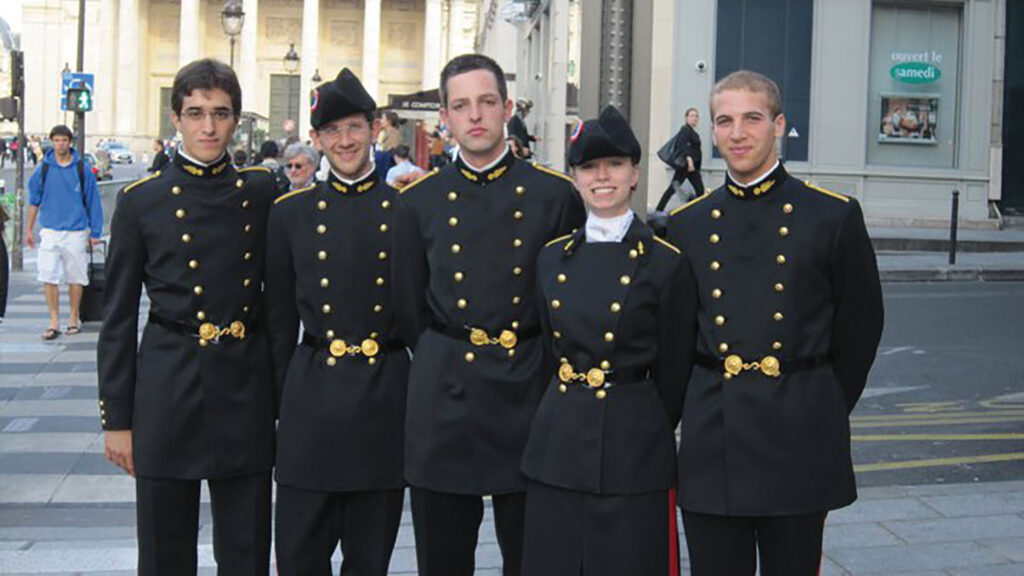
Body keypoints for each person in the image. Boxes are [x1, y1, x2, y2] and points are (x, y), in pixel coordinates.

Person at [666, 70, 884, 576]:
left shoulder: (831, 216)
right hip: (714, 438)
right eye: (725, 120)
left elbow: (861, 328)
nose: (737, 133)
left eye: (752, 118)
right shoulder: (688, 224)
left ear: (779, 124)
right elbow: (675, 340)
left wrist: (819, 401)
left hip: (798, 435)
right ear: (712, 130)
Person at [391, 53, 585, 576]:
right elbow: (410, 308)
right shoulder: (417, 203)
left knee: (533, 556)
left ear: (506, 108)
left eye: (485, 102)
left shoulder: (554, 196)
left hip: (528, 388)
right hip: (445, 396)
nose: (474, 115)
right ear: (446, 118)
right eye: (461, 105)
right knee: (443, 557)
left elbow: (565, 307)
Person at [97, 58, 277, 576]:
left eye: (220, 114)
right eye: (195, 113)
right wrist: (118, 421)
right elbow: (117, 318)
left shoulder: (261, 192)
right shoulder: (142, 201)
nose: (208, 127)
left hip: (243, 386)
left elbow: (283, 301)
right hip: (168, 387)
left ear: (236, 121)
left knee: (245, 552)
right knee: (163, 550)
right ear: (175, 119)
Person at [520, 105, 697, 576]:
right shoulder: (551, 259)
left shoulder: (665, 262)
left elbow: (676, 369)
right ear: (574, 178)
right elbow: (545, 352)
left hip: (632, 443)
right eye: (589, 167)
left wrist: (639, 421)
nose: (603, 177)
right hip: (558, 441)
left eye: (615, 165)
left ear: (635, 175)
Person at [265, 67, 408, 576]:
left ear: (374, 129)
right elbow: (279, 321)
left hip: (382, 398)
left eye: (353, 127)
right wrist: (283, 401)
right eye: (332, 131)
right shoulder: (291, 213)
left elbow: (416, 316)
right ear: (317, 140)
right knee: (300, 555)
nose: (344, 140)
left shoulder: (405, 210)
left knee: (370, 559)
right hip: (313, 400)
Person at [25, 124, 103, 340]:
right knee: (48, 275)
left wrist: (95, 231)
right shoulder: (43, 169)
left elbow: (93, 200)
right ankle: (53, 320)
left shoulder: (82, 168)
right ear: (52, 142)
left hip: (76, 230)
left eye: (64, 140)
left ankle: (73, 316)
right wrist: (29, 229)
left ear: (70, 142)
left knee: (75, 276)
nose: (60, 144)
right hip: (49, 229)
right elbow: (34, 200)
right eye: (56, 140)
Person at [656, 107, 706, 211]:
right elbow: (684, 146)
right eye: (692, 116)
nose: (695, 118)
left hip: (689, 168)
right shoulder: (685, 130)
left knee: (675, 188)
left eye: (696, 116)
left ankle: (659, 209)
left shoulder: (692, 132)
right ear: (686, 118)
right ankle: (659, 210)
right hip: (687, 167)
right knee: (699, 191)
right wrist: (690, 161)